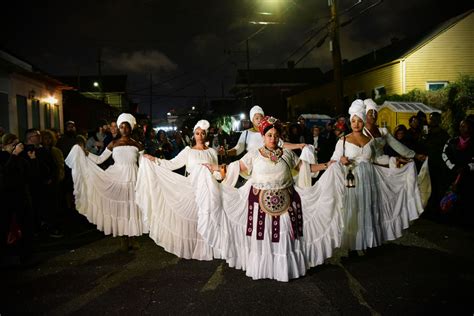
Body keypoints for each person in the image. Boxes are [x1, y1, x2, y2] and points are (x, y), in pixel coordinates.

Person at [202, 116, 342, 282]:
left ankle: (284, 269)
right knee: (264, 236)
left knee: (285, 237)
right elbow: (235, 167)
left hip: (286, 203)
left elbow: (306, 168)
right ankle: (265, 269)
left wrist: (328, 165)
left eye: (276, 135)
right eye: (269, 135)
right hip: (260, 205)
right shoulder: (254, 155)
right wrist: (214, 168)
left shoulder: (287, 154)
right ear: (263, 136)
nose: (273, 138)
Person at [331, 100, 425, 251]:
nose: (356, 124)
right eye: (353, 121)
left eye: (359, 121)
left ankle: (368, 243)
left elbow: (377, 159)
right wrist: (340, 160)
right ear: (350, 121)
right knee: (353, 209)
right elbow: (334, 159)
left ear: (363, 121)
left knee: (368, 208)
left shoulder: (370, 140)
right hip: (352, 179)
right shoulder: (343, 140)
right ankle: (352, 247)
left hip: (369, 179)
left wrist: (396, 160)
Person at [136, 120, 224, 260]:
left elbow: (216, 171)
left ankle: (209, 246)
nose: (200, 136)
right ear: (194, 135)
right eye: (197, 133)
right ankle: (195, 246)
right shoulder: (188, 151)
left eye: (202, 133)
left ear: (206, 134)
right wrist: (154, 160)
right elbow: (172, 164)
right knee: (194, 216)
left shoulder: (212, 152)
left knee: (208, 216)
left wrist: (221, 174)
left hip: (209, 189)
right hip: (191, 187)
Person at [65, 113, 144, 245]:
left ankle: (133, 237)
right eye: (121, 127)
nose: (124, 129)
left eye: (127, 127)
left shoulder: (138, 145)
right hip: (117, 179)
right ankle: (123, 238)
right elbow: (99, 159)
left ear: (131, 128)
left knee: (132, 208)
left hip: (133, 179)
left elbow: (142, 165)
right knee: (120, 209)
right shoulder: (113, 144)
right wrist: (85, 153)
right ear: (119, 128)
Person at [441, 117, 474, 225]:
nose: (461, 128)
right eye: (460, 125)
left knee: (466, 200)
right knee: (452, 198)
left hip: (468, 176)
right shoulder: (452, 141)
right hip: (452, 175)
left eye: (464, 126)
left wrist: (468, 167)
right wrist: (453, 167)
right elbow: (444, 154)